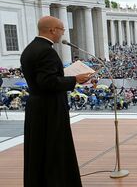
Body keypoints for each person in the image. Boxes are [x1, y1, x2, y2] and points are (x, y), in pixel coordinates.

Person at [20, 16, 91, 187]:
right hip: (49, 107)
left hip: (36, 105)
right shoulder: (47, 51)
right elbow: (48, 82)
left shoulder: (30, 49)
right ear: (52, 30)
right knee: (54, 147)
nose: (62, 33)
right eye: (62, 30)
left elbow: (41, 79)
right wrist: (75, 79)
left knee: (39, 149)